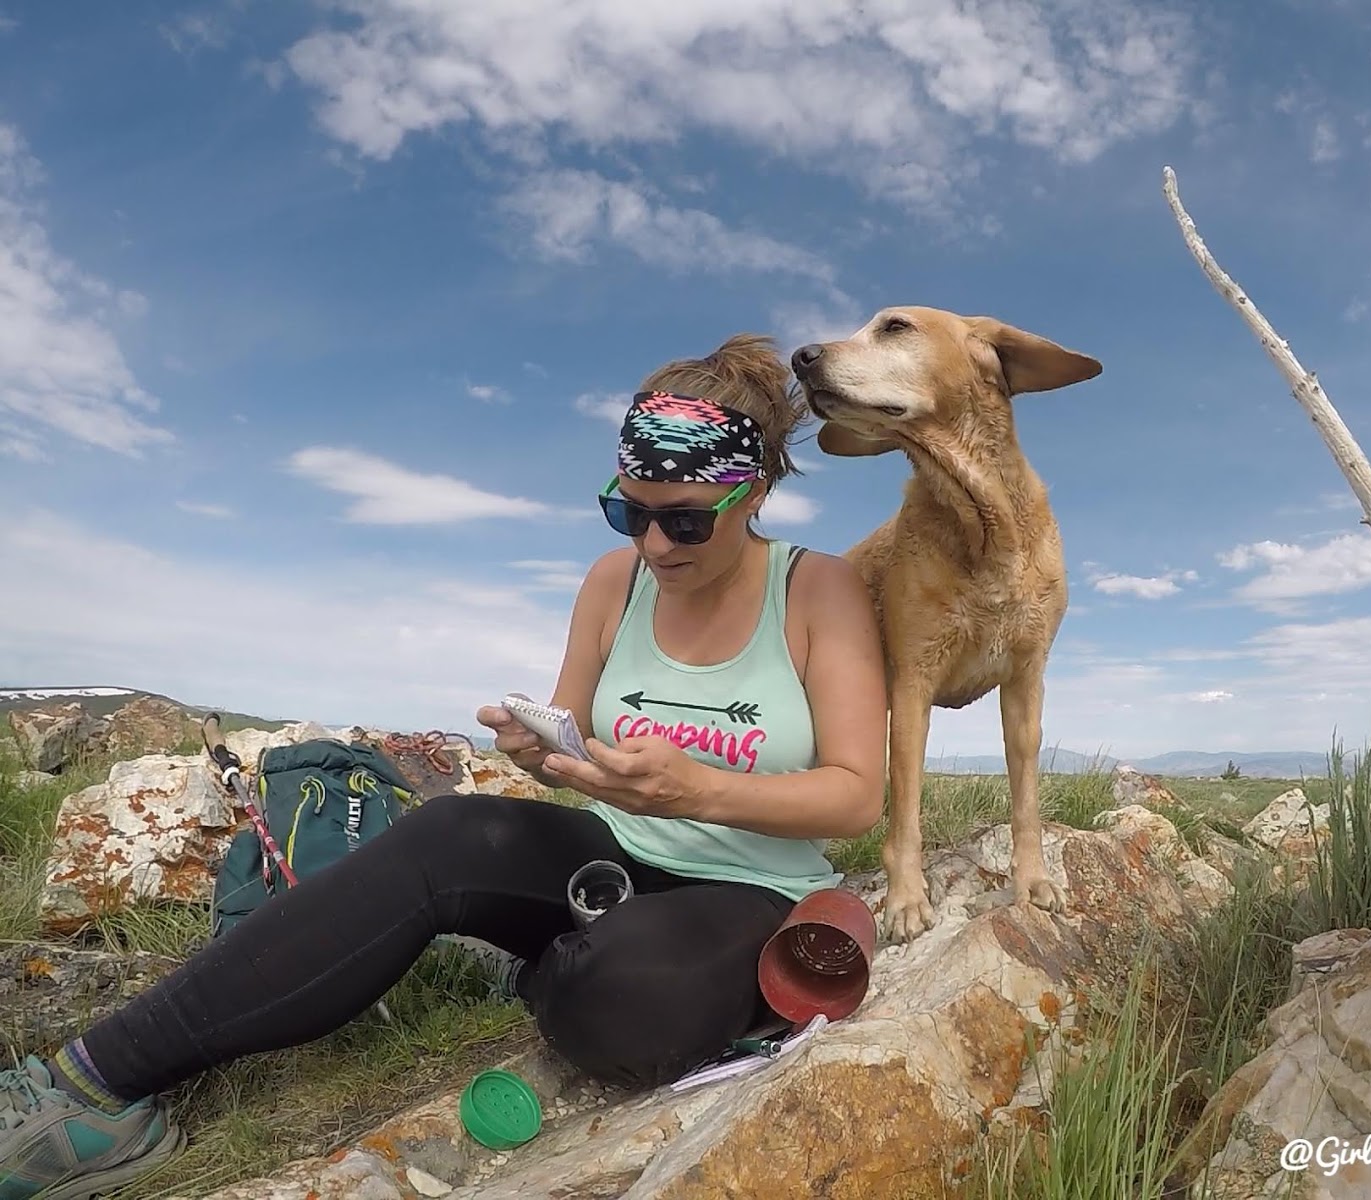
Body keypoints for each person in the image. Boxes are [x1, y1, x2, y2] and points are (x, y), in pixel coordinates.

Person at [0, 334, 888, 1199]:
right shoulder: (614, 582)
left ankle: (544, 966)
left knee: (626, 1009)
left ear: (756, 489)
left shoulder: (817, 590)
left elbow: (856, 799)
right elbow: (572, 743)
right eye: (632, 511)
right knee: (449, 832)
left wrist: (701, 790)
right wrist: (544, 756)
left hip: (746, 885)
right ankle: (85, 1090)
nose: (656, 545)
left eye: (687, 519)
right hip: (611, 851)